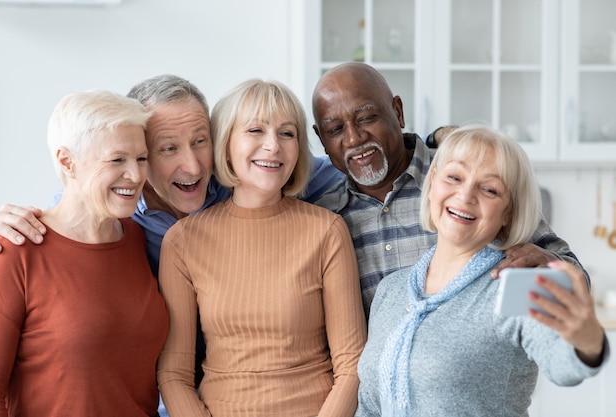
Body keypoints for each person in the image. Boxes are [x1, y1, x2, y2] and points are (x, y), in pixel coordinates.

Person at [0, 75, 345, 416]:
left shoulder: (251, 180)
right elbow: (72, 214)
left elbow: (343, 161)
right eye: (167, 148)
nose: (191, 166)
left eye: (200, 141)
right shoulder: (96, 225)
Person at [355, 124, 609, 417]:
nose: (465, 196)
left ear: (508, 213)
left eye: (489, 189)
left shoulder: (518, 286)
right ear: (433, 182)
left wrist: (588, 343)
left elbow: (562, 365)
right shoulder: (391, 289)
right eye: (454, 177)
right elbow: (370, 405)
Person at [157, 79, 366, 417]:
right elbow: (174, 374)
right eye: (255, 130)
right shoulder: (183, 241)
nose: (273, 146)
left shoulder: (326, 231)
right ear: (225, 144)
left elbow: (352, 364)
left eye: (287, 133)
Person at [311, 62, 587, 318]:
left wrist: (551, 267)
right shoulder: (325, 217)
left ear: (398, 112)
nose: (353, 138)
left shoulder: (463, 178)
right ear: (321, 139)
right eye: (335, 129)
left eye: (367, 118)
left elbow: (576, 286)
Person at [0, 90, 169, 417]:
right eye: (117, 160)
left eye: (141, 158)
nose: (136, 175)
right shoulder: (15, 249)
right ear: (66, 161)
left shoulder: (136, 238)